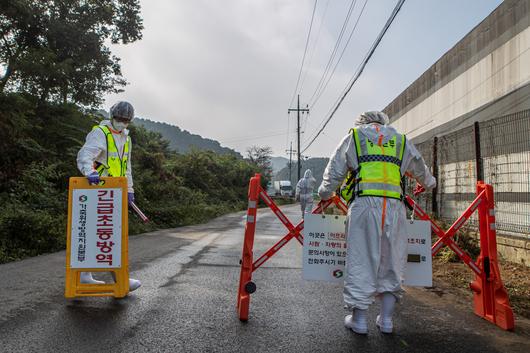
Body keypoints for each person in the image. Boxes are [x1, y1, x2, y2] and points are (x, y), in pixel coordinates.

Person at [318, 111, 435, 334]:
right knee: (392, 262)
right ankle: (387, 320)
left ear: (362, 122)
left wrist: (324, 193)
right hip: (394, 207)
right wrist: (429, 183)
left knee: (362, 259)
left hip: (363, 206)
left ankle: (359, 321)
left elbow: (334, 171)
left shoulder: (354, 136)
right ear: (383, 122)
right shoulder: (400, 140)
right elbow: (420, 168)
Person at [76, 101, 141, 292]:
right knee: (105, 235)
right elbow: (84, 155)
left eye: (126, 120)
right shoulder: (100, 133)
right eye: (120, 119)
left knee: (106, 235)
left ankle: (89, 275)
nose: (122, 123)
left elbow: (126, 168)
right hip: (99, 191)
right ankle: (118, 280)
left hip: (116, 193)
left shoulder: (125, 139)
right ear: (113, 116)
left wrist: (130, 190)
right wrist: (89, 172)